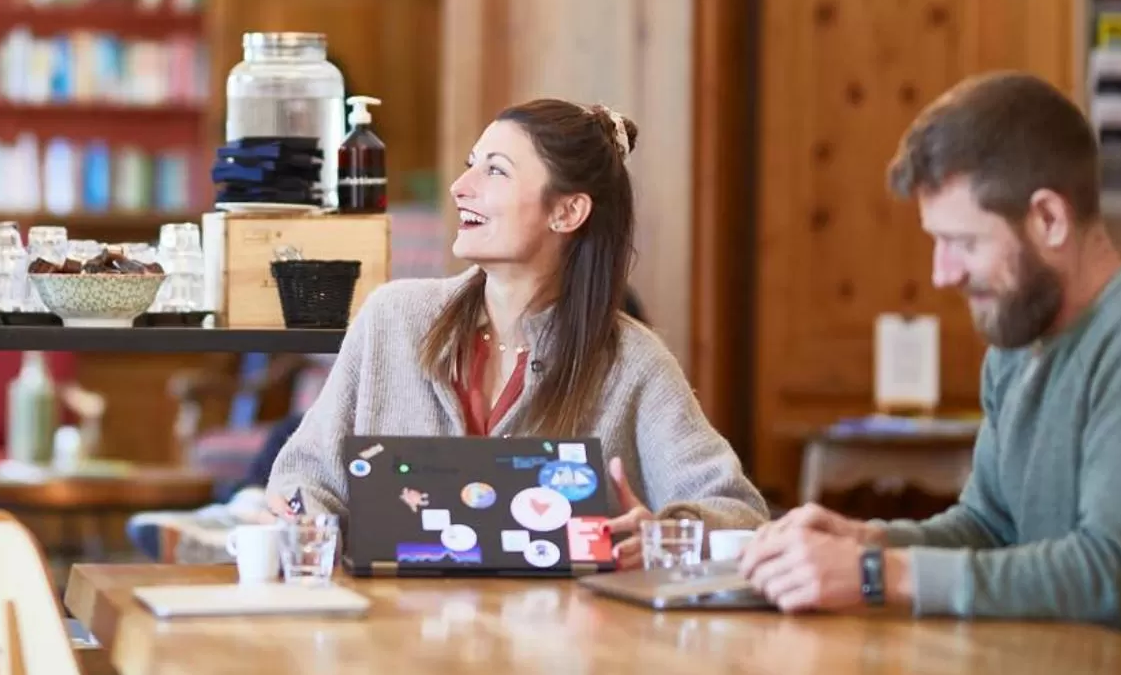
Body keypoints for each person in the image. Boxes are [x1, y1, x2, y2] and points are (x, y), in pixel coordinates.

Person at [741, 71, 1121, 627]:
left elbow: (1111, 576)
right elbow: (989, 529)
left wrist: (879, 573)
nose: (942, 274)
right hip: (1053, 669)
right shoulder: (1020, 336)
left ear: (1049, 219)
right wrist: (865, 541)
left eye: (963, 242)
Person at [265, 99, 765, 564]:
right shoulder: (391, 318)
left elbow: (739, 512)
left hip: (563, 629)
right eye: (471, 164)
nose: (461, 187)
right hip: (394, 621)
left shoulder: (633, 360)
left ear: (566, 212)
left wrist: (664, 534)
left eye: (496, 171)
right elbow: (305, 478)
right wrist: (304, 521)